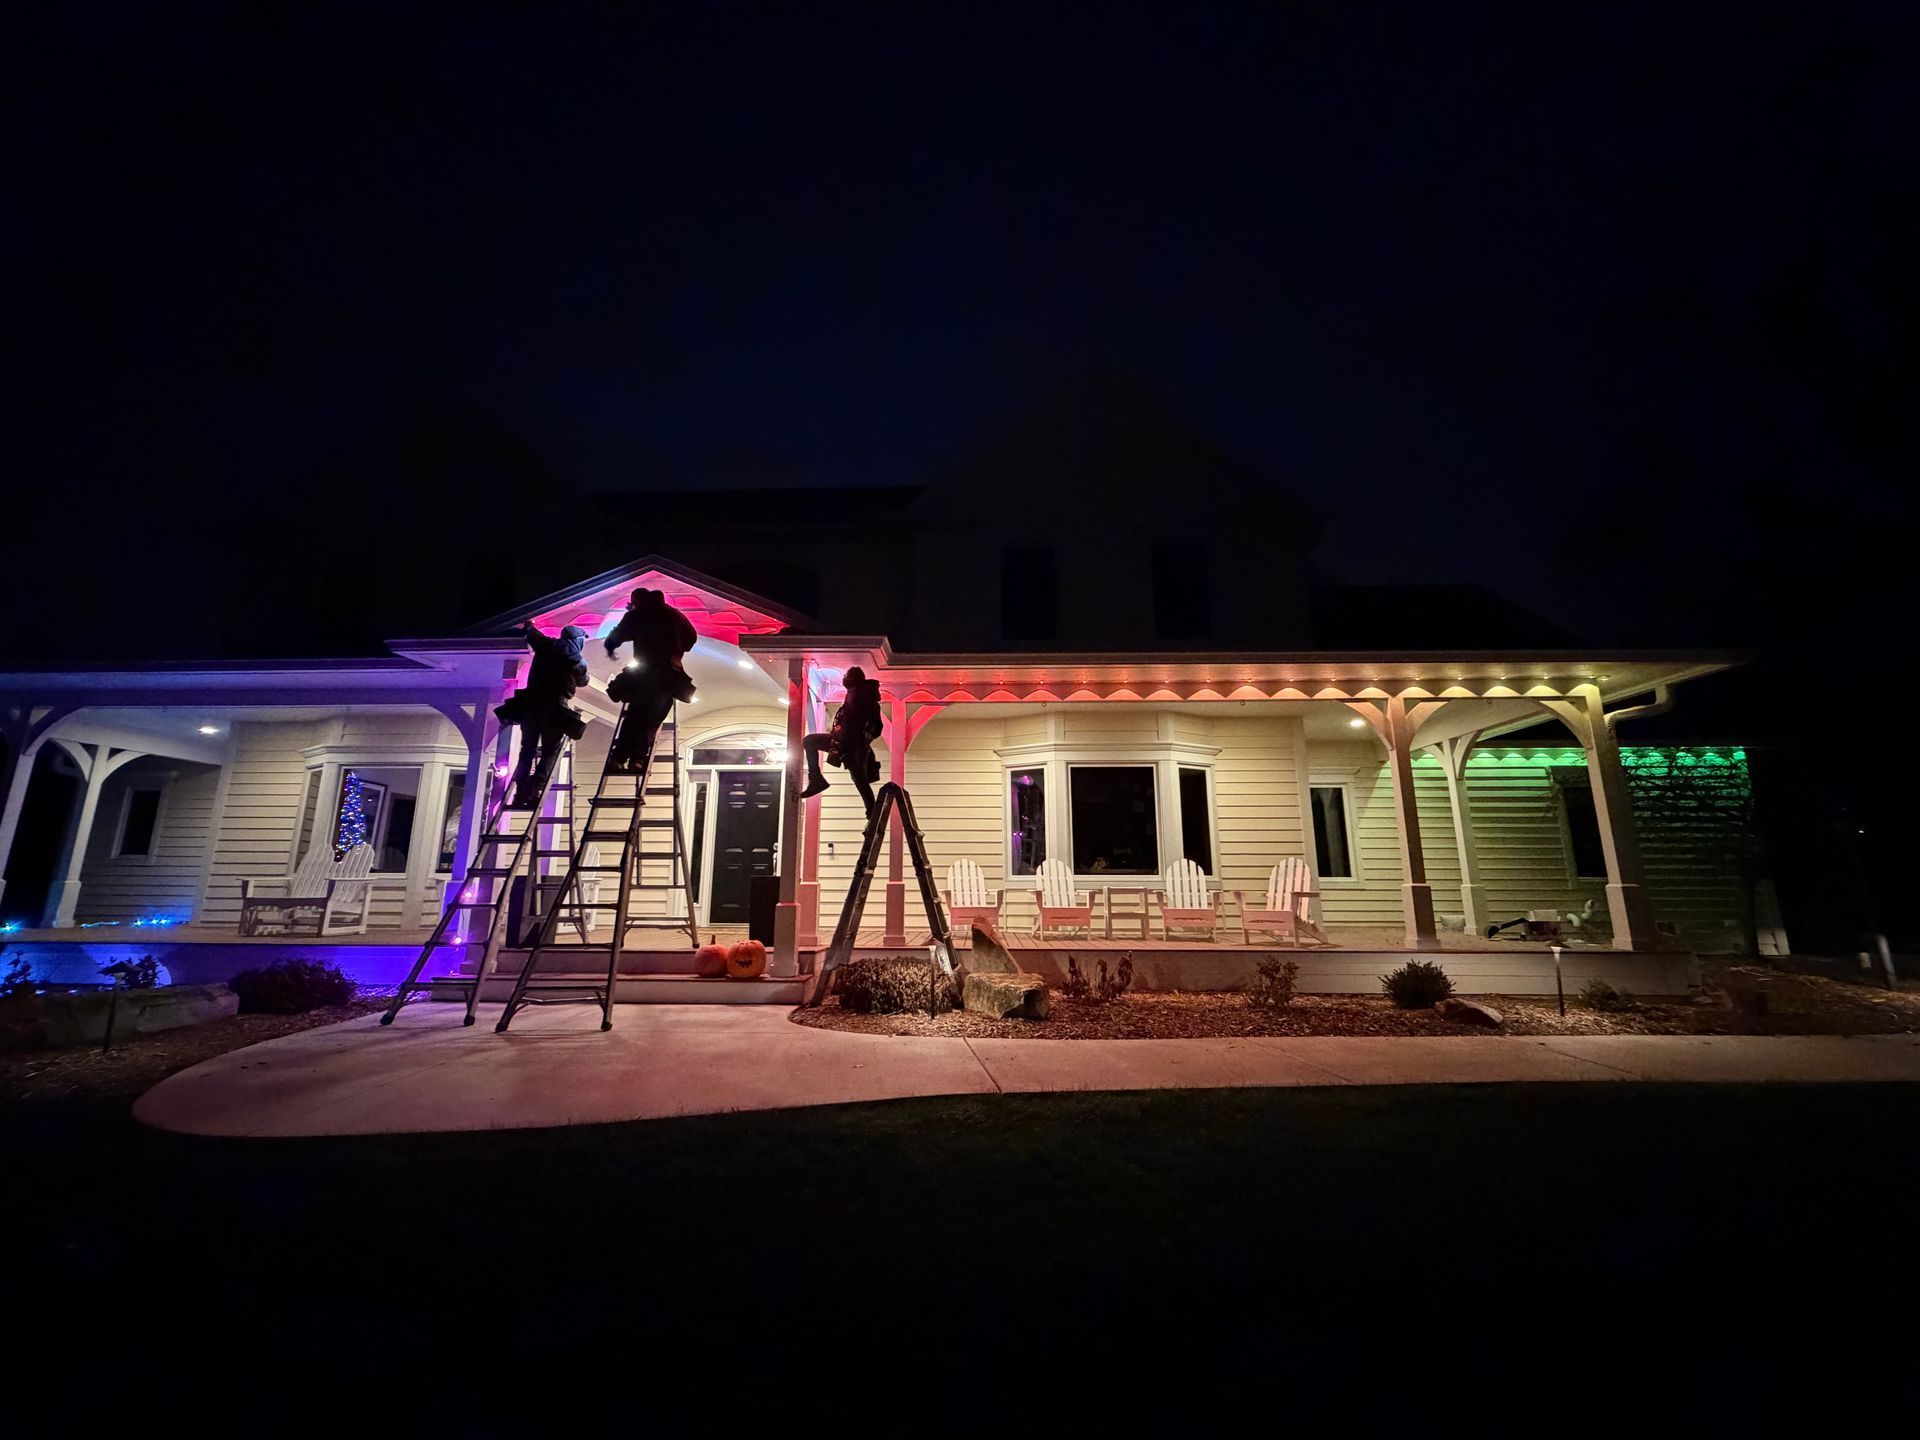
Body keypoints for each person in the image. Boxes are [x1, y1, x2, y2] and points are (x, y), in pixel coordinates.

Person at [603, 587, 698, 773]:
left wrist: (610, 648)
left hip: (643, 675)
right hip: (668, 676)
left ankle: (620, 756)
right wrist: (677, 652)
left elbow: (617, 635)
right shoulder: (673, 614)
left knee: (634, 715)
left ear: (637, 600)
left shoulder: (637, 614)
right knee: (652, 718)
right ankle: (638, 758)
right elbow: (691, 637)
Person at [494, 623, 589, 798]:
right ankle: (536, 784)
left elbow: (531, 633)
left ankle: (522, 786)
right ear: (578, 640)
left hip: (530, 706)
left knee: (527, 748)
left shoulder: (546, 644)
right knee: (550, 749)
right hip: (555, 708)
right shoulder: (577, 659)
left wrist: (529, 624)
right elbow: (583, 681)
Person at [800, 665, 882, 815]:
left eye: (847, 675)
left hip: (849, 744)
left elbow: (853, 724)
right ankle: (872, 810)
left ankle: (816, 779)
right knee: (859, 779)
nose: (844, 678)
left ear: (853, 679)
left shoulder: (856, 694)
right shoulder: (868, 698)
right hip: (856, 745)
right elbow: (877, 729)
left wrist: (842, 742)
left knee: (809, 741)